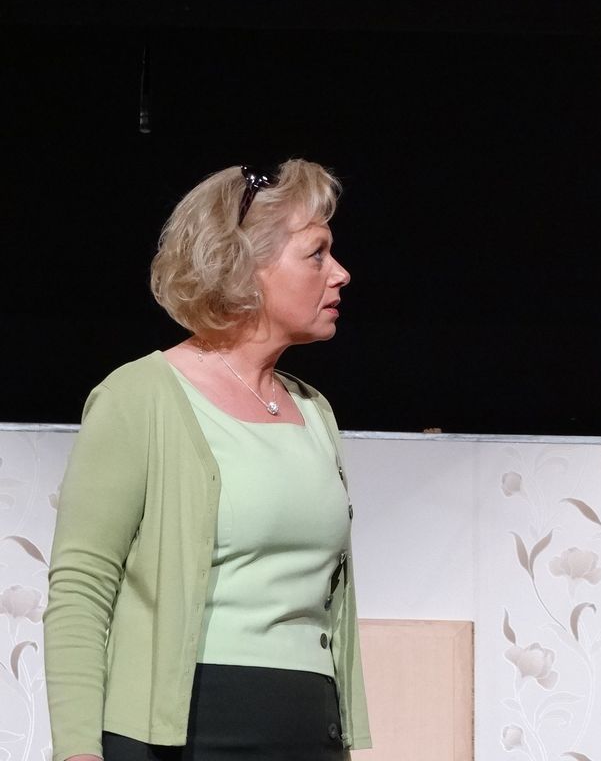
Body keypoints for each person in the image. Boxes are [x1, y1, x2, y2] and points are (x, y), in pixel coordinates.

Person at [43, 160, 371, 761]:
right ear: (245, 268)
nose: (341, 273)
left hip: (306, 731)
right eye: (316, 254)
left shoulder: (314, 412)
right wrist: (77, 751)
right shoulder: (140, 396)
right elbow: (82, 586)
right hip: (177, 736)